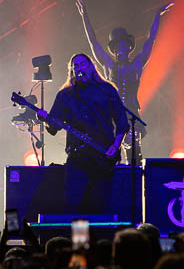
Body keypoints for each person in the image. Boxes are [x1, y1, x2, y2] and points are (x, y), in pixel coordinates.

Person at [76, 0, 174, 162]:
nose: (121, 48)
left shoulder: (136, 65)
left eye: (124, 45)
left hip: (131, 117)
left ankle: (134, 176)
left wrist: (157, 16)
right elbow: (93, 42)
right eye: (117, 46)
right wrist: (84, 15)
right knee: (111, 159)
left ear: (129, 48)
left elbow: (150, 40)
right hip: (111, 117)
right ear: (114, 50)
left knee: (134, 159)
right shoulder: (108, 66)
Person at [37, 53, 129, 214]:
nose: (79, 68)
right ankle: (77, 232)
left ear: (91, 67)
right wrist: (45, 119)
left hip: (103, 156)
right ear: (72, 71)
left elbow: (122, 122)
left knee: (100, 203)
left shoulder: (106, 89)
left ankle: (99, 231)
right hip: (78, 156)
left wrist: (116, 146)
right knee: (73, 202)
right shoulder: (65, 95)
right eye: (76, 66)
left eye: (83, 64)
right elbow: (53, 127)